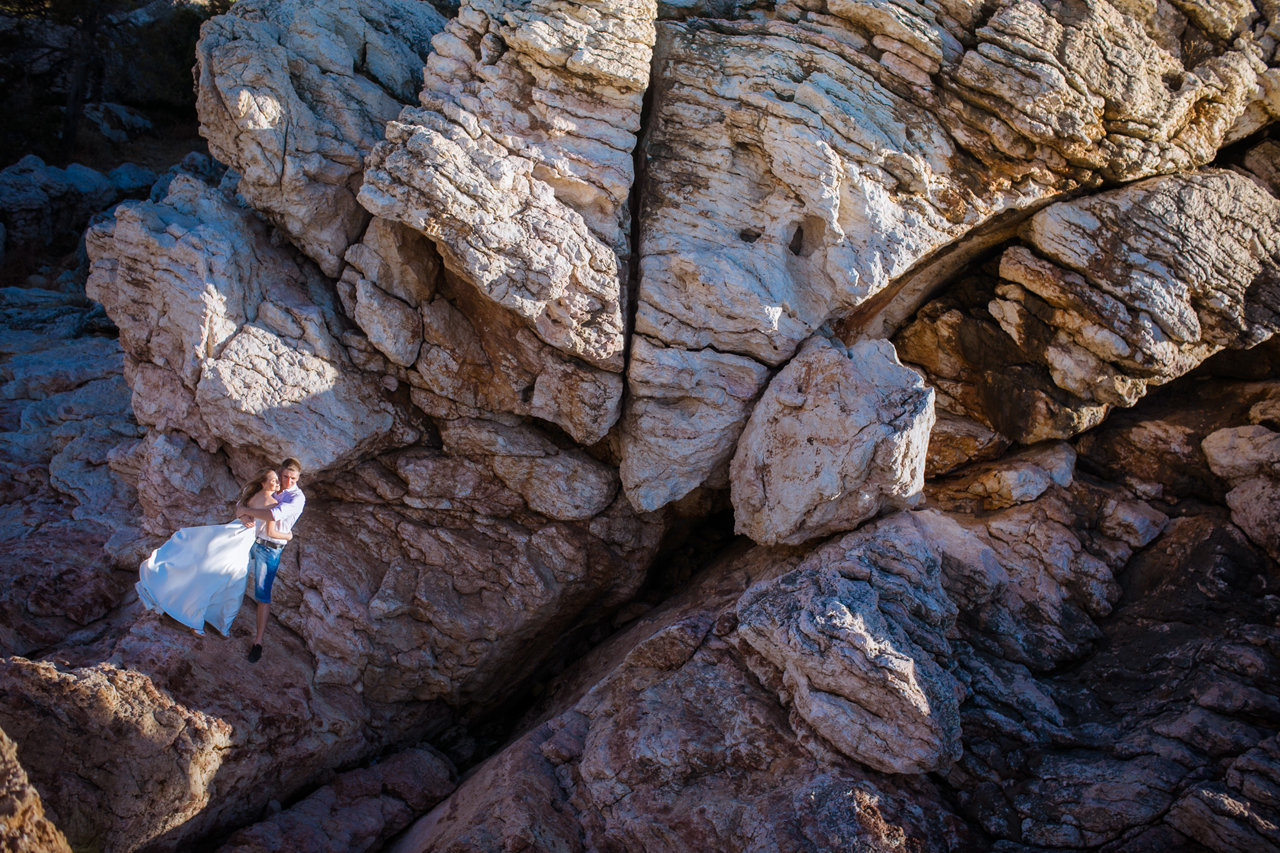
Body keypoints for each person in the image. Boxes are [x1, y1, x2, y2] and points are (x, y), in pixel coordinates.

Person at [136, 468, 290, 637]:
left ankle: (218, 623)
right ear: (263, 483)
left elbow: (241, 508)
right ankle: (202, 621)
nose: (277, 483)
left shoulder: (253, 495)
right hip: (239, 541)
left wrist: (243, 514)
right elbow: (270, 532)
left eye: (277, 480)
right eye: (273, 480)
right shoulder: (273, 504)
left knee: (228, 580)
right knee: (222, 580)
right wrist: (288, 536)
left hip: (234, 535)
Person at [234, 457, 306, 663]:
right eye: (286, 476)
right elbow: (245, 499)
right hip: (249, 539)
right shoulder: (272, 483)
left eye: (293, 478)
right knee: (227, 571)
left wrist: (245, 511)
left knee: (262, 593)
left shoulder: (297, 498)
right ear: (280, 472)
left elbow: (273, 514)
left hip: (270, 549)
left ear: (298, 478)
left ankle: (258, 642)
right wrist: (242, 514)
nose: (288, 481)